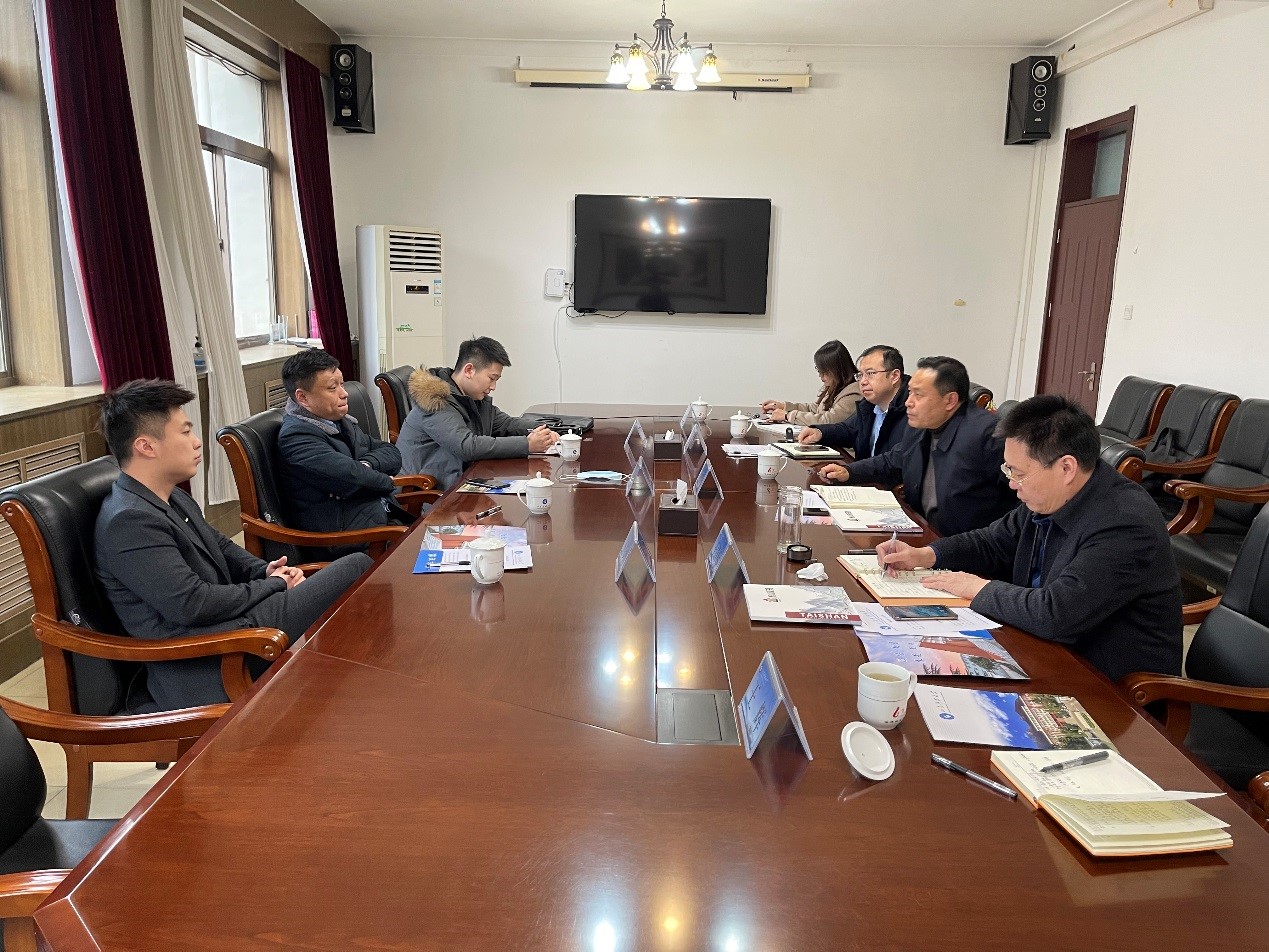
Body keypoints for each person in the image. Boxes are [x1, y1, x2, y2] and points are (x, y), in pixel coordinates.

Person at [94, 380, 372, 712]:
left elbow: (221, 548)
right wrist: (273, 585)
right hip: (210, 656)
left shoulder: (170, 496)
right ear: (146, 446)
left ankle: (355, 685)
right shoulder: (129, 521)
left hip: (232, 628)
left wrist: (265, 571)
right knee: (356, 566)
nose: (197, 442)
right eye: (185, 432)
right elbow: (192, 604)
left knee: (349, 580)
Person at [876, 395, 1183, 681]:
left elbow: (1055, 613)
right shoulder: (1051, 495)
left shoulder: (1125, 523)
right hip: (1043, 649)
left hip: (1106, 685)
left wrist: (974, 586)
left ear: (1066, 467)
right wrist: (927, 555)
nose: (1012, 484)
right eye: (1008, 470)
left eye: (1018, 473)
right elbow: (992, 542)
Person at [819, 356, 1013, 537]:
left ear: (950, 400)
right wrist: (849, 472)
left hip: (967, 547)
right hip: (922, 532)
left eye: (918, 395)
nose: (908, 402)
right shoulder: (922, 423)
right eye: (910, 392)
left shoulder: (987, 436)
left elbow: (1019, 506)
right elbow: (895, 459)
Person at [277, 349, 408, 548]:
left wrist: (366, 464)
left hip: (379, 518)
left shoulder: (339, 421)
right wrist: (384, 480)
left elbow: (391, 453)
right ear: (302, 397)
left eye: (342, 384)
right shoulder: (296, 437)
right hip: (346, 538)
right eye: (332, 388)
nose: (344, 393)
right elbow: (352, 477)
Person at [397, 336, 558, 490]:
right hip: (425, 495)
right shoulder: (435, 400)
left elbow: (506, 424)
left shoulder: (471, 397)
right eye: (491, 378)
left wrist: (545, 430)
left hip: (461, 481)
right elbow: (467, 446)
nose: (493, 387)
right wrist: (527, 444)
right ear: (469, 370)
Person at [796, 344, 910, 461]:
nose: (863, 381)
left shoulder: (912, 411)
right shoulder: (869, 404)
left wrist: (852, 470)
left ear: (894, 376)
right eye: (860, 375)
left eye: (870, 373)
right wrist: (820, 432)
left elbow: (894, 461)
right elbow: (848, 429)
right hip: (864, 471)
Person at [760, 340, 862, 426]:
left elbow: (829, 420)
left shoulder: (853, 392)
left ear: (838, 370)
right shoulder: (835, 386)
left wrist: (787, 415)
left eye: (824, 371)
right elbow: (814, 409)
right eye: (819, 370)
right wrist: (783, 406)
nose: (820, 375)